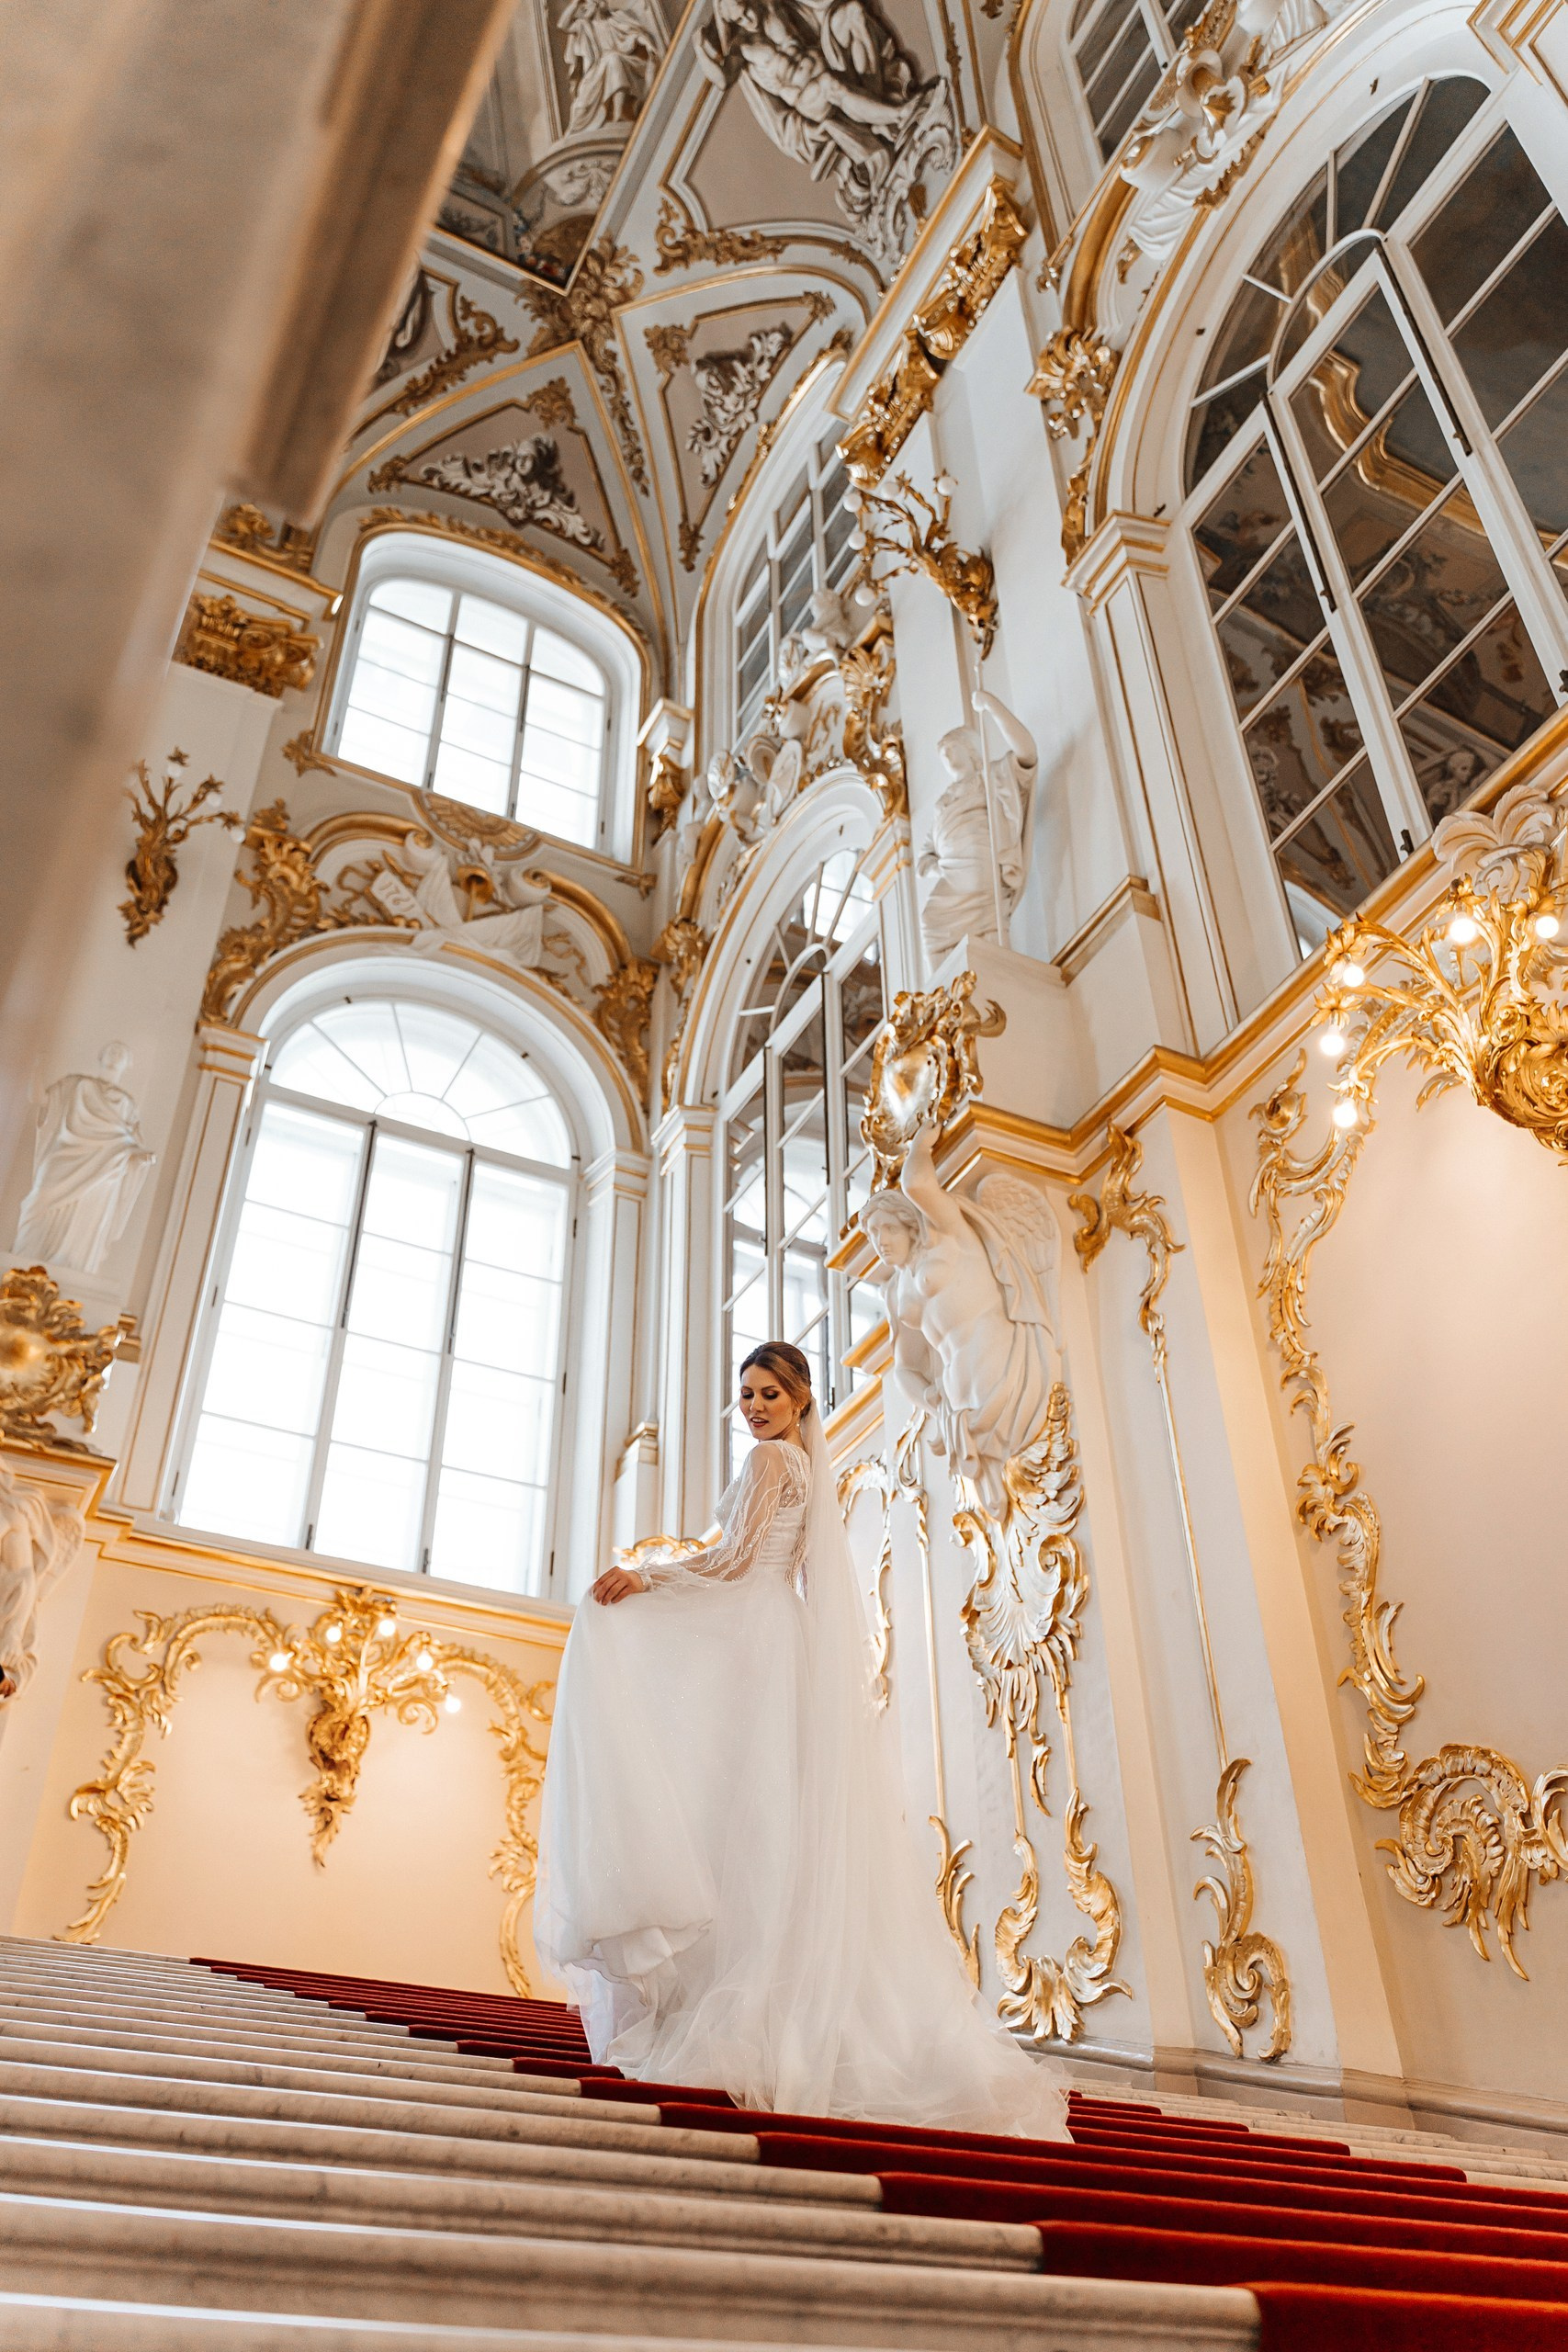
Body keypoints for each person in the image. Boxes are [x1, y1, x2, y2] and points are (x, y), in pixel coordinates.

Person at [535, 1340, 1068, 2136]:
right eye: (744, 1393)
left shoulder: (773, 1466)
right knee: (761, 1821)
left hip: (755, 1630)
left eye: (768, 1394)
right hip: (773, 1636)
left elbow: (739, 1561)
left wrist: (649, 1577)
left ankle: (746, 2004)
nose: (753, 1407)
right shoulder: (802, 1469)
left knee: (733, 1807)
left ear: (801, 1400)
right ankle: (763, 1993)